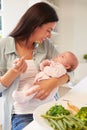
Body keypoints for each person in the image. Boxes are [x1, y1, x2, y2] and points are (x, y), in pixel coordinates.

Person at [0, 2, 72, 130]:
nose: (49, 35)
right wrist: (13, 72)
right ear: (35, 25)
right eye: (48, 30)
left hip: (50, 109)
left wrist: (54, 82)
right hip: (21, 115)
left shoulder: (46, 45)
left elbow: (70, 71)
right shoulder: (4, 45)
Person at [12, 51, 78, 104]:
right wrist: (43, 64)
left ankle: (24, 97)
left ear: (67, 66)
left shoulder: (61, 68)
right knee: (28, 85)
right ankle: (22, 93)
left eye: (62, 57)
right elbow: (42, 68)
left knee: (34, 90)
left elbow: (55, 74)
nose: (59, 55)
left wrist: (46, 68)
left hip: (44, 84)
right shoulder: (54, 63)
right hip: (39, 80)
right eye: (61, 54)